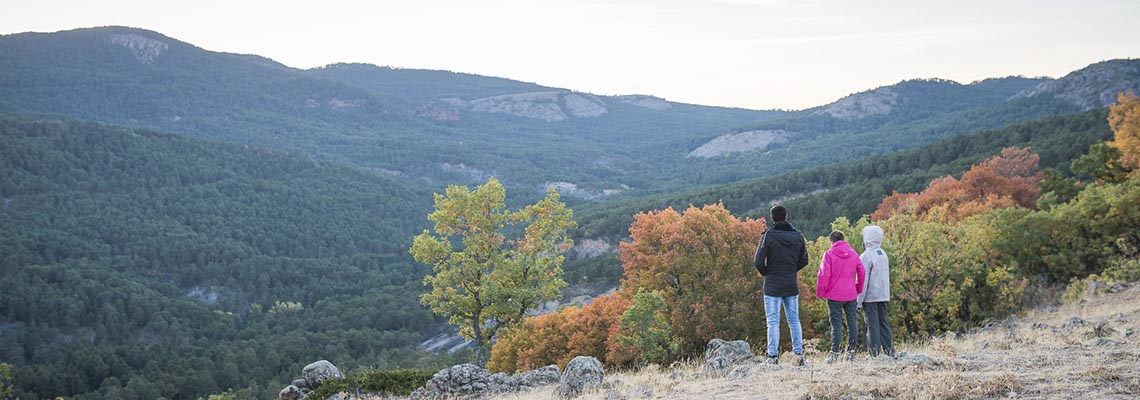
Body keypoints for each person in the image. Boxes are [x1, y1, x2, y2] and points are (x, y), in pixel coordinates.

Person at [753, 205, 810, 366]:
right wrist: (791, 270)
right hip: (790, 283)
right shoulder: (798, 236)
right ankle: (798, 356)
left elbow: (758, 261)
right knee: (794, 321)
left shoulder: (769, 236)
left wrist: (767, 272)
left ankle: (772, 357)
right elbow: (804, 260)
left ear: (772, 217)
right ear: (786, 216)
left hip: (772, 284)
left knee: (773, 322)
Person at [816, 230, 866, 363]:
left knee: (836, 324)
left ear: (832, 241)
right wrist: (857, 288)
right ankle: (850, 352)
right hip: (850, 294)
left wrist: (821, 292)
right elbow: (862, 272)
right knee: (852, 323)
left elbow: (823, 275)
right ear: (843, 240)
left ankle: (835, 353)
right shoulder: (854, 253)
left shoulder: (829, 254)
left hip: (834, 295)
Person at [858, 225, 895, 358]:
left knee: (872, 324)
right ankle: (889, 350)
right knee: (883, 323)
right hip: (883, 295)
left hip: (870, 296)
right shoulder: (883, 253)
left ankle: (874, 353)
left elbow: (863, 281)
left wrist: (859, 300)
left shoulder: (866, 256)